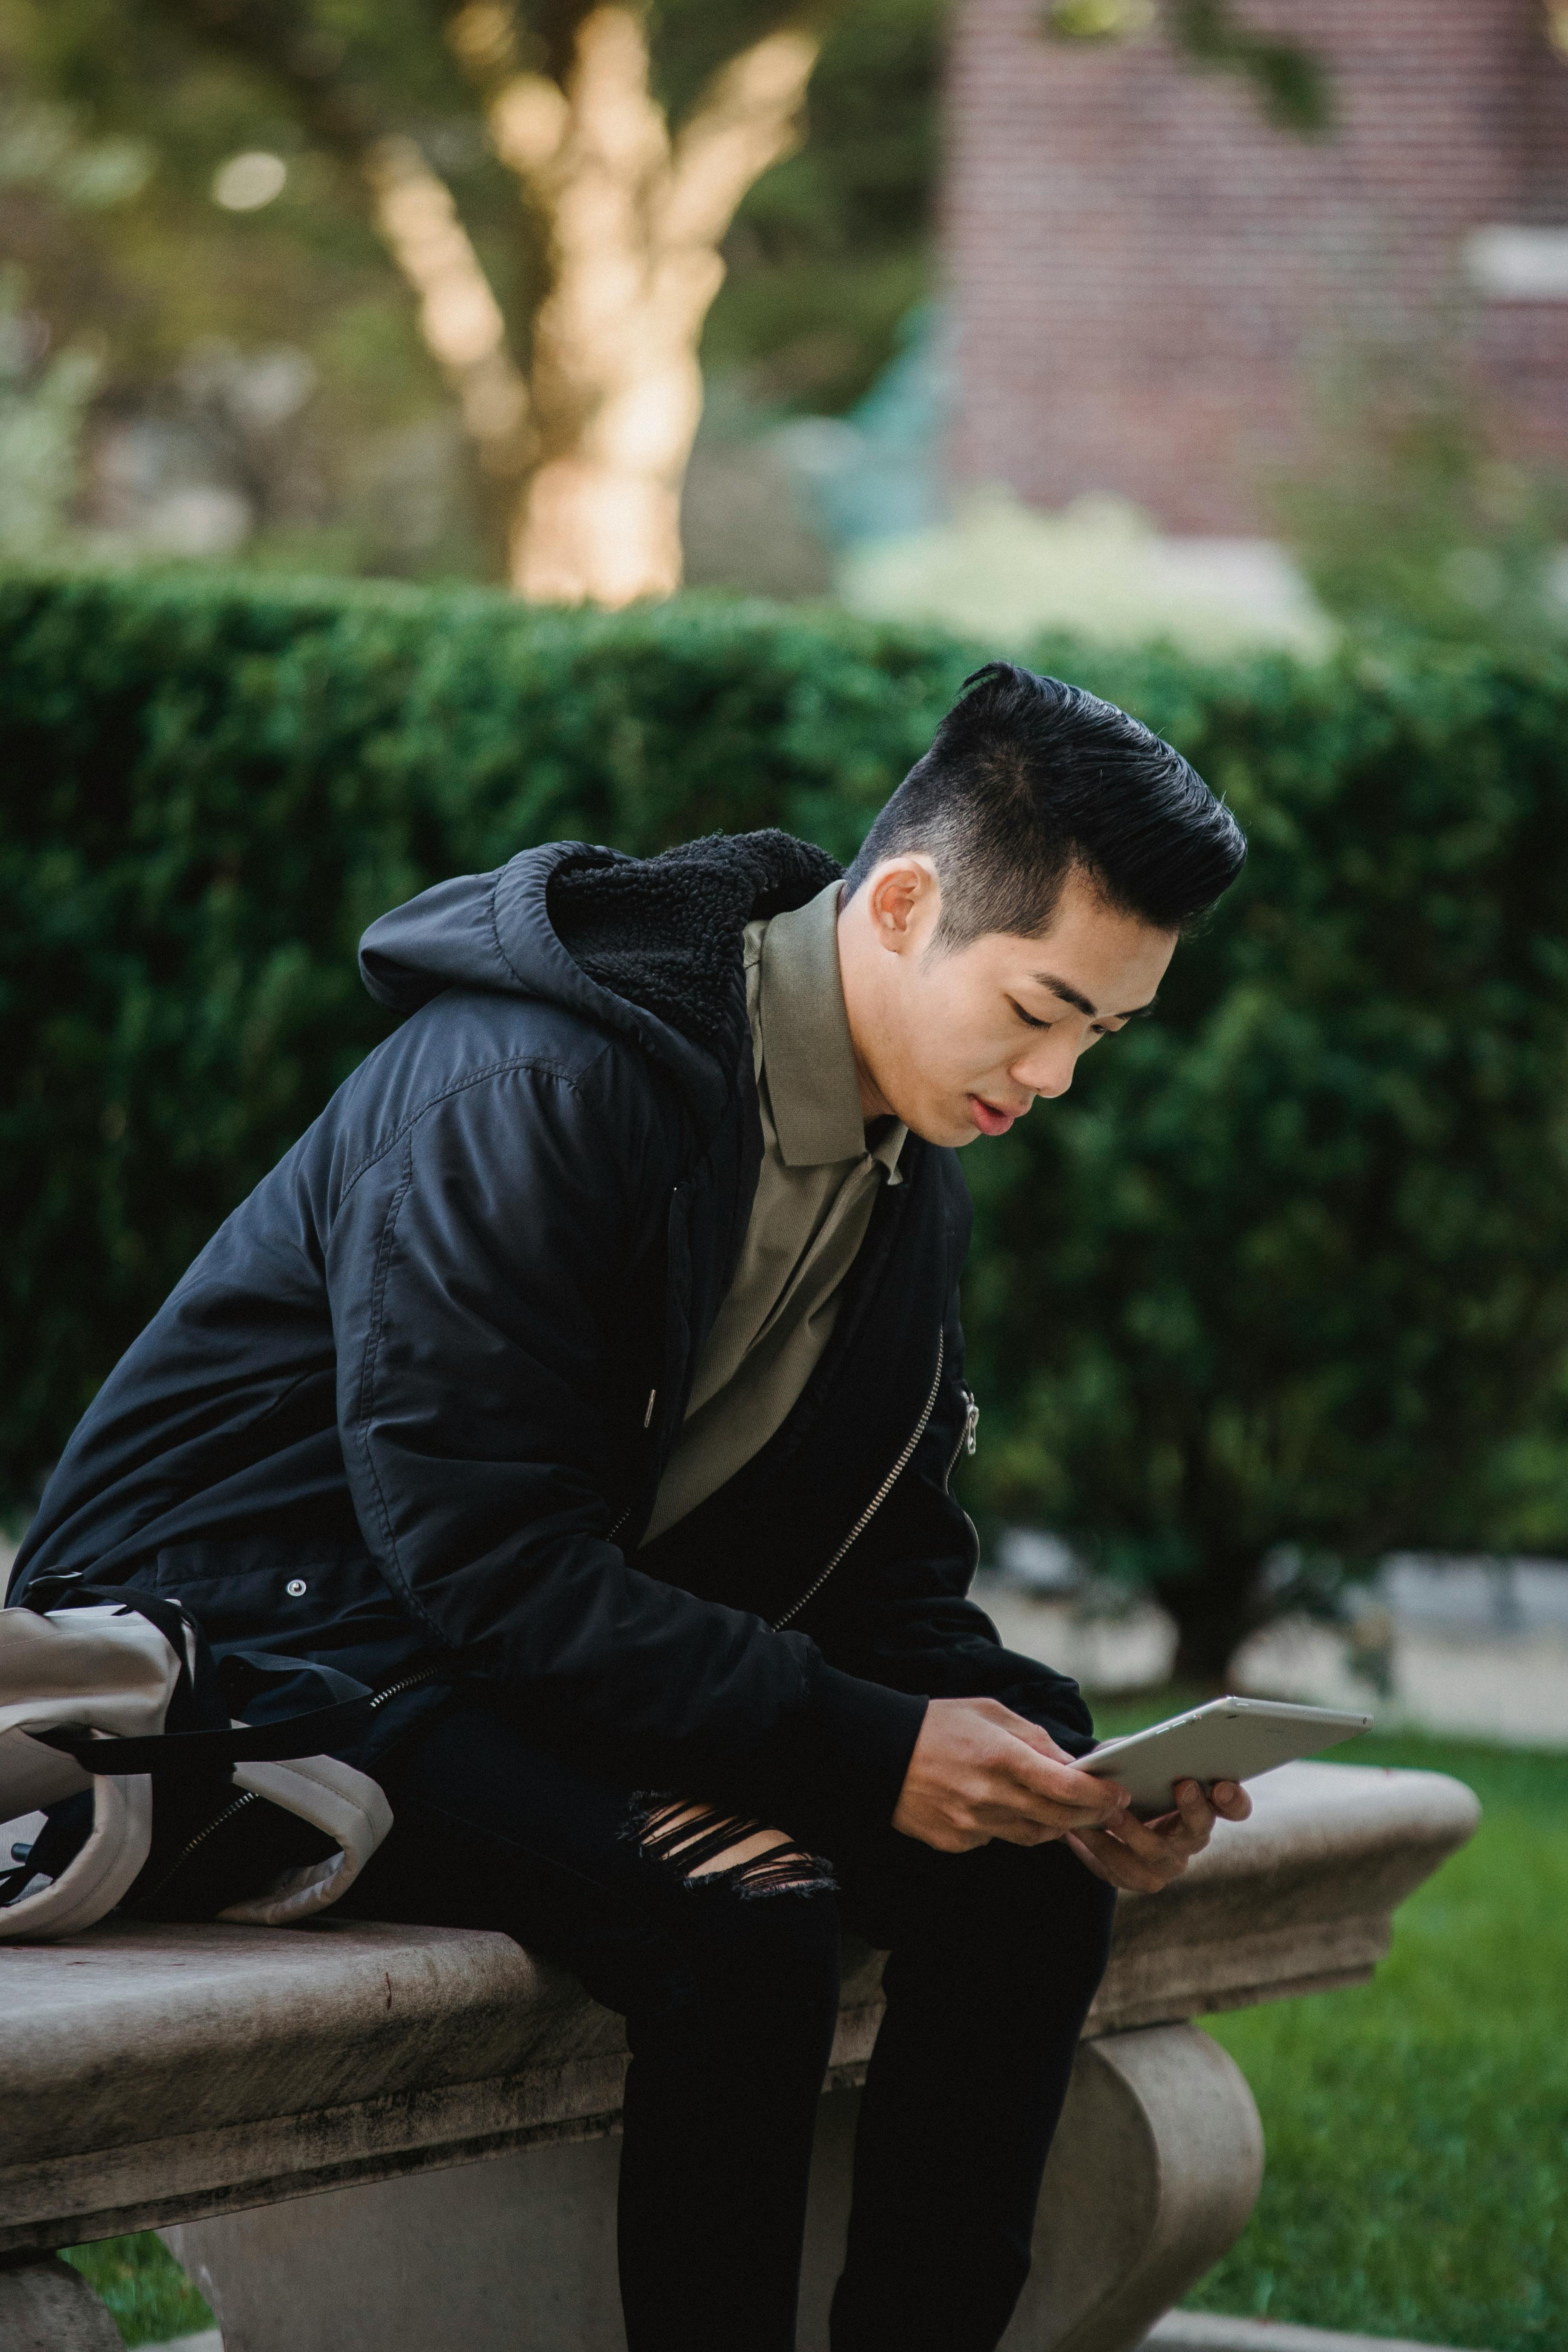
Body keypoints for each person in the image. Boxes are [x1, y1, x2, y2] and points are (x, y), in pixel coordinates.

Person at [11, 661, 1253, 2351]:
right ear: (899, 906)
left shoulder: (902, 1170)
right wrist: (870, 1743)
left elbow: (876, 1572)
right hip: (246, 1643)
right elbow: (481, 1555)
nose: (1053, 1080)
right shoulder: (535, 1084)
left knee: (1029, 1881)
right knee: (741, 1911)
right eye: (1037, 1012)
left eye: (1098, 1035)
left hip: (493, 1641)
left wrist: (1076, 1765)